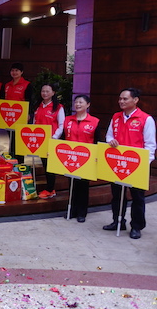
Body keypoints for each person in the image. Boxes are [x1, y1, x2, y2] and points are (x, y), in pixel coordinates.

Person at [103, 88, 156, 239]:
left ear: (135, 100)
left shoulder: (146, 119)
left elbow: (150, 145)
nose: (121, 101)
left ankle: (136, 226)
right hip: (117, 163)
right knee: (117, 195)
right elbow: (109, 136)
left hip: (137, 165)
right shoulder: (116, 117)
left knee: (137, 197)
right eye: (120, 99)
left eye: (125, 99)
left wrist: (144, 164)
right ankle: (118, 221)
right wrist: (111, 141)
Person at [63, 95, 100, 223]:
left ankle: (81, 212)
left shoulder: (95, 121)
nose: (78, 104)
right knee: (72, 184)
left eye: (81, 102)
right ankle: (72, 210)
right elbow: (62, 138)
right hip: (70, 157)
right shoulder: (67, 120)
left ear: (88, 105)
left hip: (86, 158)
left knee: (83, 185)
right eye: (76, 102)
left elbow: (97, 141)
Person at [33, 83, 65, 199]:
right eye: (43, 91)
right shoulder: (38, 106)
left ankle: (51, 189)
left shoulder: (58, 107)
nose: (45, 93)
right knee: (44, 164)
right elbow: (34, 122)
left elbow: (62, 125)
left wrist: (54, 137)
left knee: (49, 166)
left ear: (53, 93)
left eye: (47, 91)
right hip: (40, 142)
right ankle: (49, 188)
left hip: (51, 142)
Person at [1, 62, 33, 157]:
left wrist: (28, 114)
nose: (14, 72)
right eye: (12, 70)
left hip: (21, 116)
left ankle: (19, 160)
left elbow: (29, 100)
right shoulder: (7, 85)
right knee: (10, 137)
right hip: (9, 116)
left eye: (17, 70)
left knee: (19, 138)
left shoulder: (27, 85)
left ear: (21, 72)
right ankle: (11, 158)